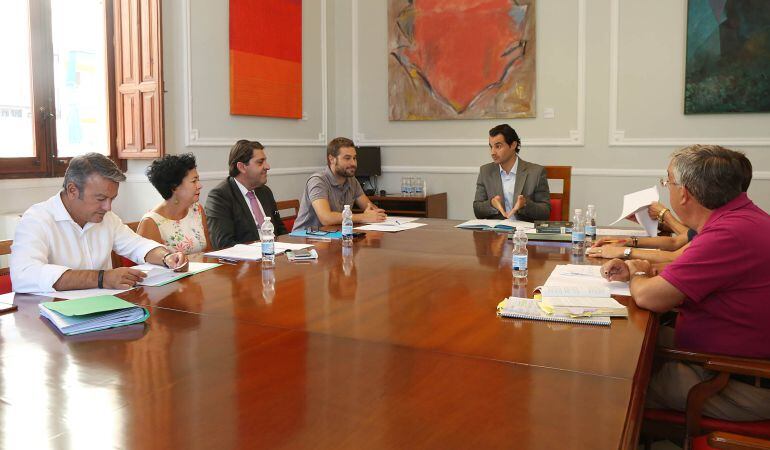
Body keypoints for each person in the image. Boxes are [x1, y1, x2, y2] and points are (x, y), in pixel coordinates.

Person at [600, 145, 770, 421]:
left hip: (733, 380)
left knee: (610, 386)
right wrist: (641, 268)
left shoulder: (728, 235)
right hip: (726, 360)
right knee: (614, 343)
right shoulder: (739, 220)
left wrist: (639, 272)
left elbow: (649, 298)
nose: (666, 187)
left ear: (684, 193)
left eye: (668, 181)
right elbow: (685, 267)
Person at [10, 153, 188, 293]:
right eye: (101, 198)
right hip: (50, 322)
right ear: (72, 190)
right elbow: (24, 275)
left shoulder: (107, 218)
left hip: (106, 314)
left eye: (112, 199)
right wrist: (102, 278)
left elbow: (137, 245)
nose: (108, 207)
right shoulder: (36, 219)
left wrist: (166, 257)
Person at [204, 140, 287, 250]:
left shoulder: (265, 192)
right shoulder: (219, 197)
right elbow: (224, 244)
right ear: (242, 167)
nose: (267, 166)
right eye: (260, 162)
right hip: (246, 264)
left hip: (275, 257)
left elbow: (280, 230)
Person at [292, 137, 386, 230]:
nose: (353, 163)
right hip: (304, 239)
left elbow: (369, 207)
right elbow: (326, 218)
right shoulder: (317, 181)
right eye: (347, 158)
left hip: (333, 236)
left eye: (354, 158)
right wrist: (363, 217)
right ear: (332, 159)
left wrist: (375, 213)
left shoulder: (352, 180)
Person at [473, 124, 550, 221]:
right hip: (496, 233)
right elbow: (477, 210)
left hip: (523, 234)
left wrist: (525, 204)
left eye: (498, 146)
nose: (492, 152)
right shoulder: (485, 171)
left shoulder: (536, 172)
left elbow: (545, 212)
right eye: (491, 147)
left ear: (513, 145)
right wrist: (491, 203)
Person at [137, 153, 211, 254]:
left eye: (198, 180)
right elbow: (147, 267)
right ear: (174, 187)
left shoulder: (197, 210)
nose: (199, 185)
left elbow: (208, 253)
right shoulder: (151, 222)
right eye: (194, 181)